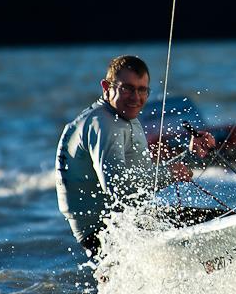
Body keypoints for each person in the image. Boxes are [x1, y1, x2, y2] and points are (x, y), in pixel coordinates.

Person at [55, 55, 215, 257]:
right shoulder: (103, 124)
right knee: (219, 222)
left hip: (125, 223)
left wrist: (188, 154)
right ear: (106, 87)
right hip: (105, 233)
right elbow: (119, 189)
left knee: (214, 220)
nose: (136, 98)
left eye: (142, 90)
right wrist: (169, 174)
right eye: (127, 89)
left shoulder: (123, 117)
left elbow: (142, 176)